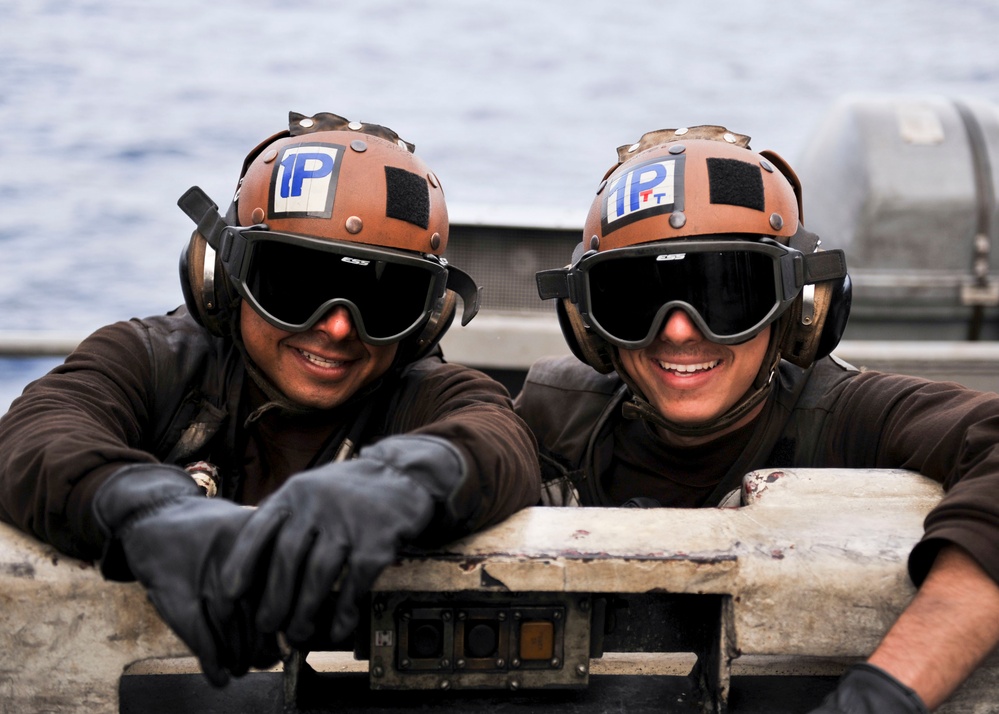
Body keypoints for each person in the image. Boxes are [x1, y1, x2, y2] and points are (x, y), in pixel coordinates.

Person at [0, 111, 540, 686]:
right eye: (296, 285)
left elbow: (498, 436)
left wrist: (395, 483)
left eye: (382, 299)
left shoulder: (421, 393)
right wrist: (146, 508)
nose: (336, 328)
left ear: (425, 322)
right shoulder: (152, 360)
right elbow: (39, 430)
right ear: (226, 276)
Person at [515, 125, 999, 713]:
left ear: (799, 311)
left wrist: (883, 695)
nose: (678, 330)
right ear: (587, 325)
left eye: (727, 294)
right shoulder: (554, 413)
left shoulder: (847, 416)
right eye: (636, 299)